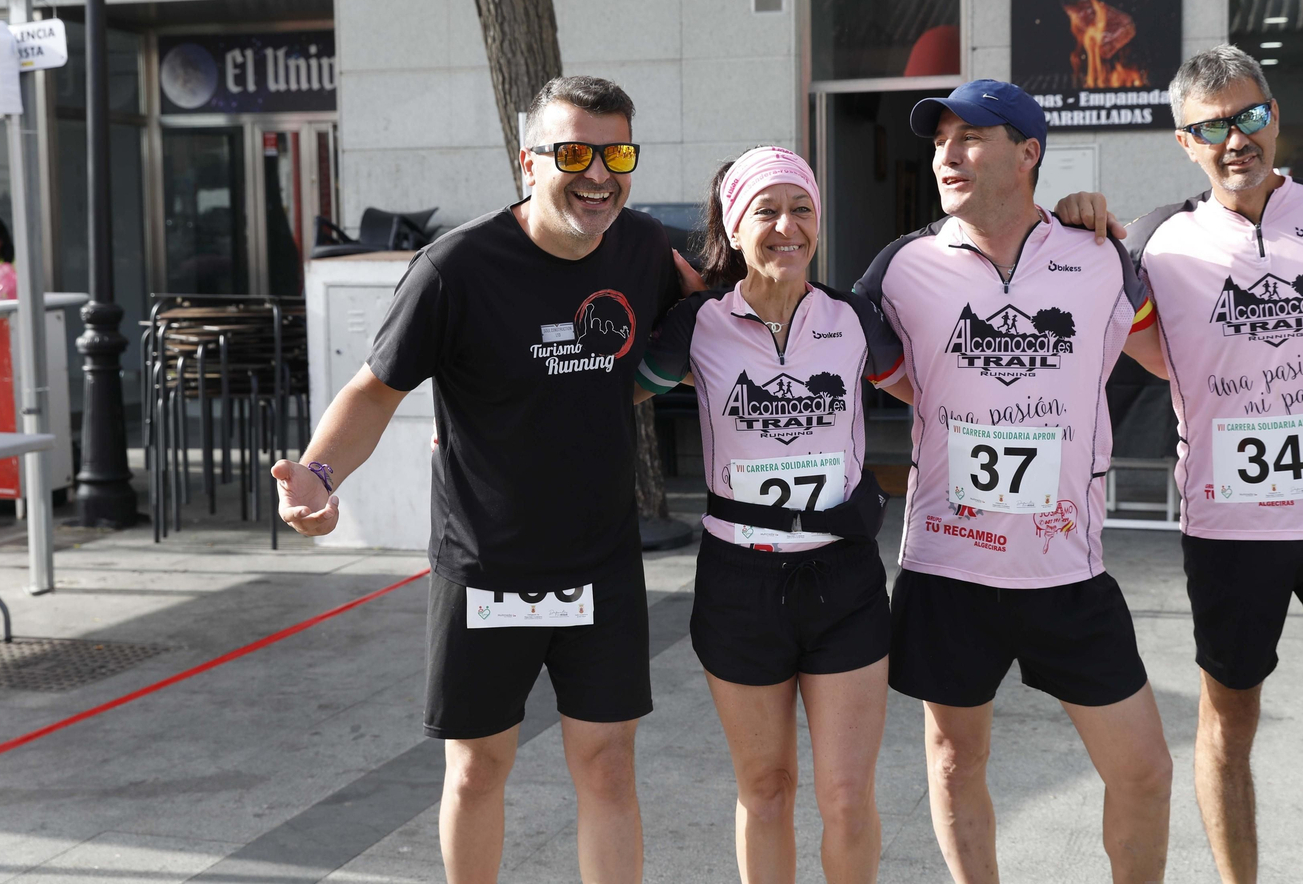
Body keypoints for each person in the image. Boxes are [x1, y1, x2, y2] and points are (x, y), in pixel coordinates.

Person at [1056, 45, 1303, 883]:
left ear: (1274, 115)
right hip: (1228, 532)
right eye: (1212, 127)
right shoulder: (1156, 242)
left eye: (1249, 117)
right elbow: (1123, 340)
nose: (1235, 139)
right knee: (1228, 729)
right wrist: (1078, 226)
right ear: (1184, 141)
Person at [273, 76, 693, 884]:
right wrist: (320, 475)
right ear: (526, 161)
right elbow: (373, 388)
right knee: (477, 768)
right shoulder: (455, 268)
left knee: (607, 766)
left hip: (602, 558)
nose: (599, 173)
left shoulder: (644, 250)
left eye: (617, 152)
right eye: (574, 152)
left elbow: (687, 330)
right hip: (485, 565)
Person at [854, 79, 1173, 884]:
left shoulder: (1102, 258)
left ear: (1028, 152)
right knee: (956, 758)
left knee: (1144, 769)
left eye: (971, 137)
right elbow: (867, 363)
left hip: (1066, 570)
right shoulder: (901, 267)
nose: (947, 155)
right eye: (939, 142)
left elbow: (1176, 356)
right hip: (948, 566)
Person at [634, 145, 910, 883]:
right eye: (766, 210)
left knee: (847, 796)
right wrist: (489, 415)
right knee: (766, 790)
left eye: (802, 210)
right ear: (733, 223)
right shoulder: (697, 323)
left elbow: (941, 385)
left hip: (843, 580)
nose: (787, 226)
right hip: (740, 584)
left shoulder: (855, 317)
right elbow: (604, 392)